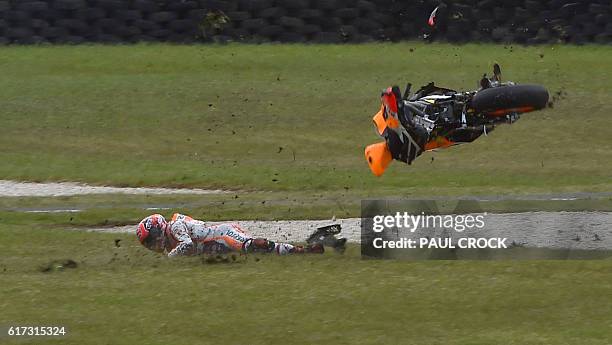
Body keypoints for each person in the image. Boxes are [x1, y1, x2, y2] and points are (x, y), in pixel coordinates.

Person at [136, 213, 324, 257]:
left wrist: (171, 259)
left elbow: (188, 245)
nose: (153, 244)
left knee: (251, 246)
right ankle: (302, 251)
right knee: (253, 253)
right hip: (215, 242)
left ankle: (303, 251)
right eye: (148, 243)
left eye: (152, 238)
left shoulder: (174, 227)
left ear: (160, 229)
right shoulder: (171, 237)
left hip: (222, 235)